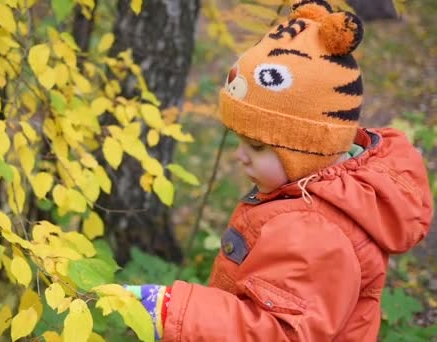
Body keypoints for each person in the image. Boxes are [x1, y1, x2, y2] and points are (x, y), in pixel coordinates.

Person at [125, 0, 434, 341]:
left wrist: (174, 312)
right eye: (239, 141)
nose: (240, 158)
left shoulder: (315, 232)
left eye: (256, 147)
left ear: (308, 147)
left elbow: (279, 333)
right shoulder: (305, 195)